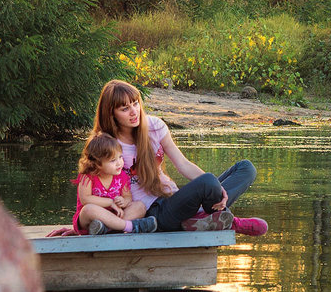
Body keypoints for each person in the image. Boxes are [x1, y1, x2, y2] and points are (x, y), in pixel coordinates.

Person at [92, 79, 268, 236]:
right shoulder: (106, 145)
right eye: (125, 108)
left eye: (135, 104)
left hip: (175, 199)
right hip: (154, 213)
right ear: (111, 113)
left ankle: (201, 217)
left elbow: (182, 163)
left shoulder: (154, 126)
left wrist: (218, 189)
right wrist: (84, 226)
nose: (134, 112)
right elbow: (94, 187)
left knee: (245, 168)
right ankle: (227, 221)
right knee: (207, 182)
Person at [73, 133, 159, 235]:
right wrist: (110, 202)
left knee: (140, 206)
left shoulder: (122, 176)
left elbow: (128, 197)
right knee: (88, 209)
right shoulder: (88, 176)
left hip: (115, 215)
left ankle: (107, 228)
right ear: (97, 163)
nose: (119, 163)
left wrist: (124, 201)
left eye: (120, 157)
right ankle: (131, 226)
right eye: (113, 160)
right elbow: (85, 199)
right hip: (91, 220)